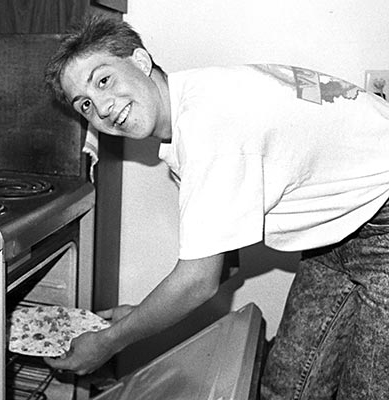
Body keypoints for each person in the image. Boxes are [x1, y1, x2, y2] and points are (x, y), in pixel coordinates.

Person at [43, 15, 389, 400]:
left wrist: (110, 341)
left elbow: (198, 281)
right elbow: (224, 252)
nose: (102, 109)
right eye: (86, 104)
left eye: (103, 80)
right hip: (343, 229)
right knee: (286, 388)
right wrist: (139, 312)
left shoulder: (209, 129)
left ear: (140, 61)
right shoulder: (196, 98)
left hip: (383, 221)